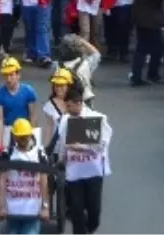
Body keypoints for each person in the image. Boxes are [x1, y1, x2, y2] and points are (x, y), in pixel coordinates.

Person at [52, 88, 111, 235]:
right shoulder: (65, 120)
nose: (67, 109)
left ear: (78, 103)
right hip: (74, 174)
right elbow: (61, 144)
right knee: (77, 211)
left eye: (69, 105)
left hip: (93, 173)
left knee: (94, 213)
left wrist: (82, 148)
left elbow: (102, 144)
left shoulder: (97, 119)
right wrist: (61, 161)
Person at [0, 119, 50, 235]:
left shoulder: (40, 154)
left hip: (32, 211)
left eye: (25, 136)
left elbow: (44, 181)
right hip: (12, 211)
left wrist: (45, 207)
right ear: (14, 136)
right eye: (20, 136)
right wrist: (1, 206)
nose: (23, 139)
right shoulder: (8, 153)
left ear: (30, 134)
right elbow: (2, 180)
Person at [0, 57, 38, 148]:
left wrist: (33, 136)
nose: (8, 79)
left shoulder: (29, 92)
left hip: (25, 130)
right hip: (8, 130)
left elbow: (33, 116)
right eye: (6, 75)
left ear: (18, 75)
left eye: (11, 75)